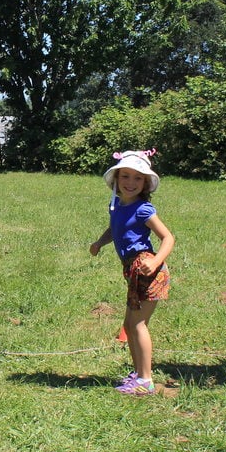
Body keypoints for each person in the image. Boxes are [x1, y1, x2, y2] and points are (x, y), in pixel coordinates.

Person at [89, 150, 175, 396]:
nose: (130, 183)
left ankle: (145, 381)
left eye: (138, 178)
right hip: (132, 270)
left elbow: (168, 237)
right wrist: (99, 242)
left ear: (146, 183)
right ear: (116, 179)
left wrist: (156, 260)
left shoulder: (143, 209)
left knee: (137, 324)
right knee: (130, 323)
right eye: (125, 176)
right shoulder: (116, 205)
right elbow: (114, 229)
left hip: (147, 270)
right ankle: (138, 374)